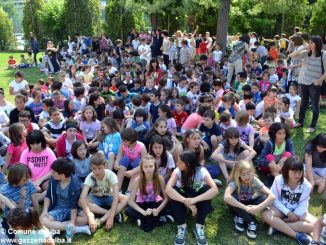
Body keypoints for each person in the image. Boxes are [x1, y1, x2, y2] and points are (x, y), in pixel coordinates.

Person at [165, 151, 218, 245]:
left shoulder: (201, 171)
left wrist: (194, 200)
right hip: (183, 198)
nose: (177, 164)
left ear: (188, 165)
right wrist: (185, 201)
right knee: (174, 191)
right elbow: (168, 189)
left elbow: (215, 190)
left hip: (196, 198)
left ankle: (199, 227)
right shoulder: (177, 171)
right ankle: (182, 227)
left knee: (207, 189)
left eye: (180, 162)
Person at [262, 157, 316, 245]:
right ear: (287, 171)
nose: (297, 175)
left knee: (316, 225)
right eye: (294, 172)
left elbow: (304, 203)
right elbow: (273, 198)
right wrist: (288, 213)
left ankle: (278, 227)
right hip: (280, 209)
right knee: (266, 215)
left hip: (298, 211)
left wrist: (295, 215)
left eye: (300, 172)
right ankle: (297, 235)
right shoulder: (278, 180)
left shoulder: (306, 185)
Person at [224, 160, 275, 239]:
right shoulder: (235, 182)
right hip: (238, 205)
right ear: (238, 175)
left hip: (250, 202)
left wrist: (259, 207)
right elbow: (226, 197)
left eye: (249, 173)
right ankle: (251, 221)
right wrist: (245, 208)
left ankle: (240, 217)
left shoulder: (254, 179)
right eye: (243, 174)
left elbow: (272, 196)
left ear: (252, 172)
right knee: (232, 197)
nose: (247, 177)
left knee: (265, 197)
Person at [40, 158, 91, 236]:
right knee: (42, 219)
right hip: (59, 208)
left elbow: (74, 206)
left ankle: (55, 226)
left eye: (54, 172)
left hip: (72, 209)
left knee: (85, 219)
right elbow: (48, 196)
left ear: (62, 175)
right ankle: (78, 229)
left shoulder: (75, 184)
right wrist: (45, 210)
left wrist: (73, 222)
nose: (51, 173)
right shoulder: (54, 179)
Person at [78, 152, 128, 232]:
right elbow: (82, 198)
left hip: (109, 196)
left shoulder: (111, 175)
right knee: (81, 202)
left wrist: (110, 218)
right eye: (94, 168)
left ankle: (101, 220)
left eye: (99, 168)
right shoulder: (90, 177)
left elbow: (115, 197)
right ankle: (113, 214)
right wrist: (90, 217)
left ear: (105, 166)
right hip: (95, 197)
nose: (96, 171)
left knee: (125, 199)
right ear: (91, 167)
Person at [125, 155, 173, 232]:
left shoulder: (160, 178)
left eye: (151, 166)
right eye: (146, 167)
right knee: (128, 211)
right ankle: (159, 219)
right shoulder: (138, 180)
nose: (148, 169)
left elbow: (166, 198)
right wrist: (143, 212)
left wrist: (158, 209)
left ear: (155, 167)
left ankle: (145, 218)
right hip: (142, 203)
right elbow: (130, 201)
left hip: (155, 203)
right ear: (142, 168)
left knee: (171, 207)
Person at [290, 36, 326, 133]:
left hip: (315, 84)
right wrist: (301, 48)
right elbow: (292, 56)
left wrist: (319, 81)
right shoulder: (306, 53)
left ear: (317, 44)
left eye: (311, 43)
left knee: (315, 105)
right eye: (309, 42)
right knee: (303, 104)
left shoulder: (323, 54)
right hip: (304, 82)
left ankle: (313, 126)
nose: (309, 44)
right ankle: (300, 122)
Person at [1, 164, 39, 239]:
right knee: (16, 238)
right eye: (24, 179)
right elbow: (16, 211)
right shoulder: (6, 190)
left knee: (31, 234)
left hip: (27, 214)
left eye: (28, 178)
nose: (27, 181)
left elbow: (34, 200)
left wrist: (36, 217)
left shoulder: (28, 183)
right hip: (13, 217)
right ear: (15, 178)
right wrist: (22, 198)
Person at [20, 130, 57, 200]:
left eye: (38, 143)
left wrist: (40, 180)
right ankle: (37, 197)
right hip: (29, 180)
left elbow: (55, 169)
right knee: (24, 190)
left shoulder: (48, 151)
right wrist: (31, 184)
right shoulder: (25, 153)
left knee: (51, 189)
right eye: (32, 144)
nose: (35, 146)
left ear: (42, 141)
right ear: (29, 144)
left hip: (46, 179)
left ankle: (36, 198)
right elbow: (22, 171)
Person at [114, 128, 147, 193]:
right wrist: (116, 163)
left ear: (131, 140)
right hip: (127, 164)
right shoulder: (123, 145)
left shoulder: (141, 146)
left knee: (138, 161)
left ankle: (129, 190)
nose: (122, 141)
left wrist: (133, 171)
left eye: (124, 140)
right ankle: (118, 188)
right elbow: (119, 155)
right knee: (124, 159)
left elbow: (144, 163)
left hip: (137, 167)